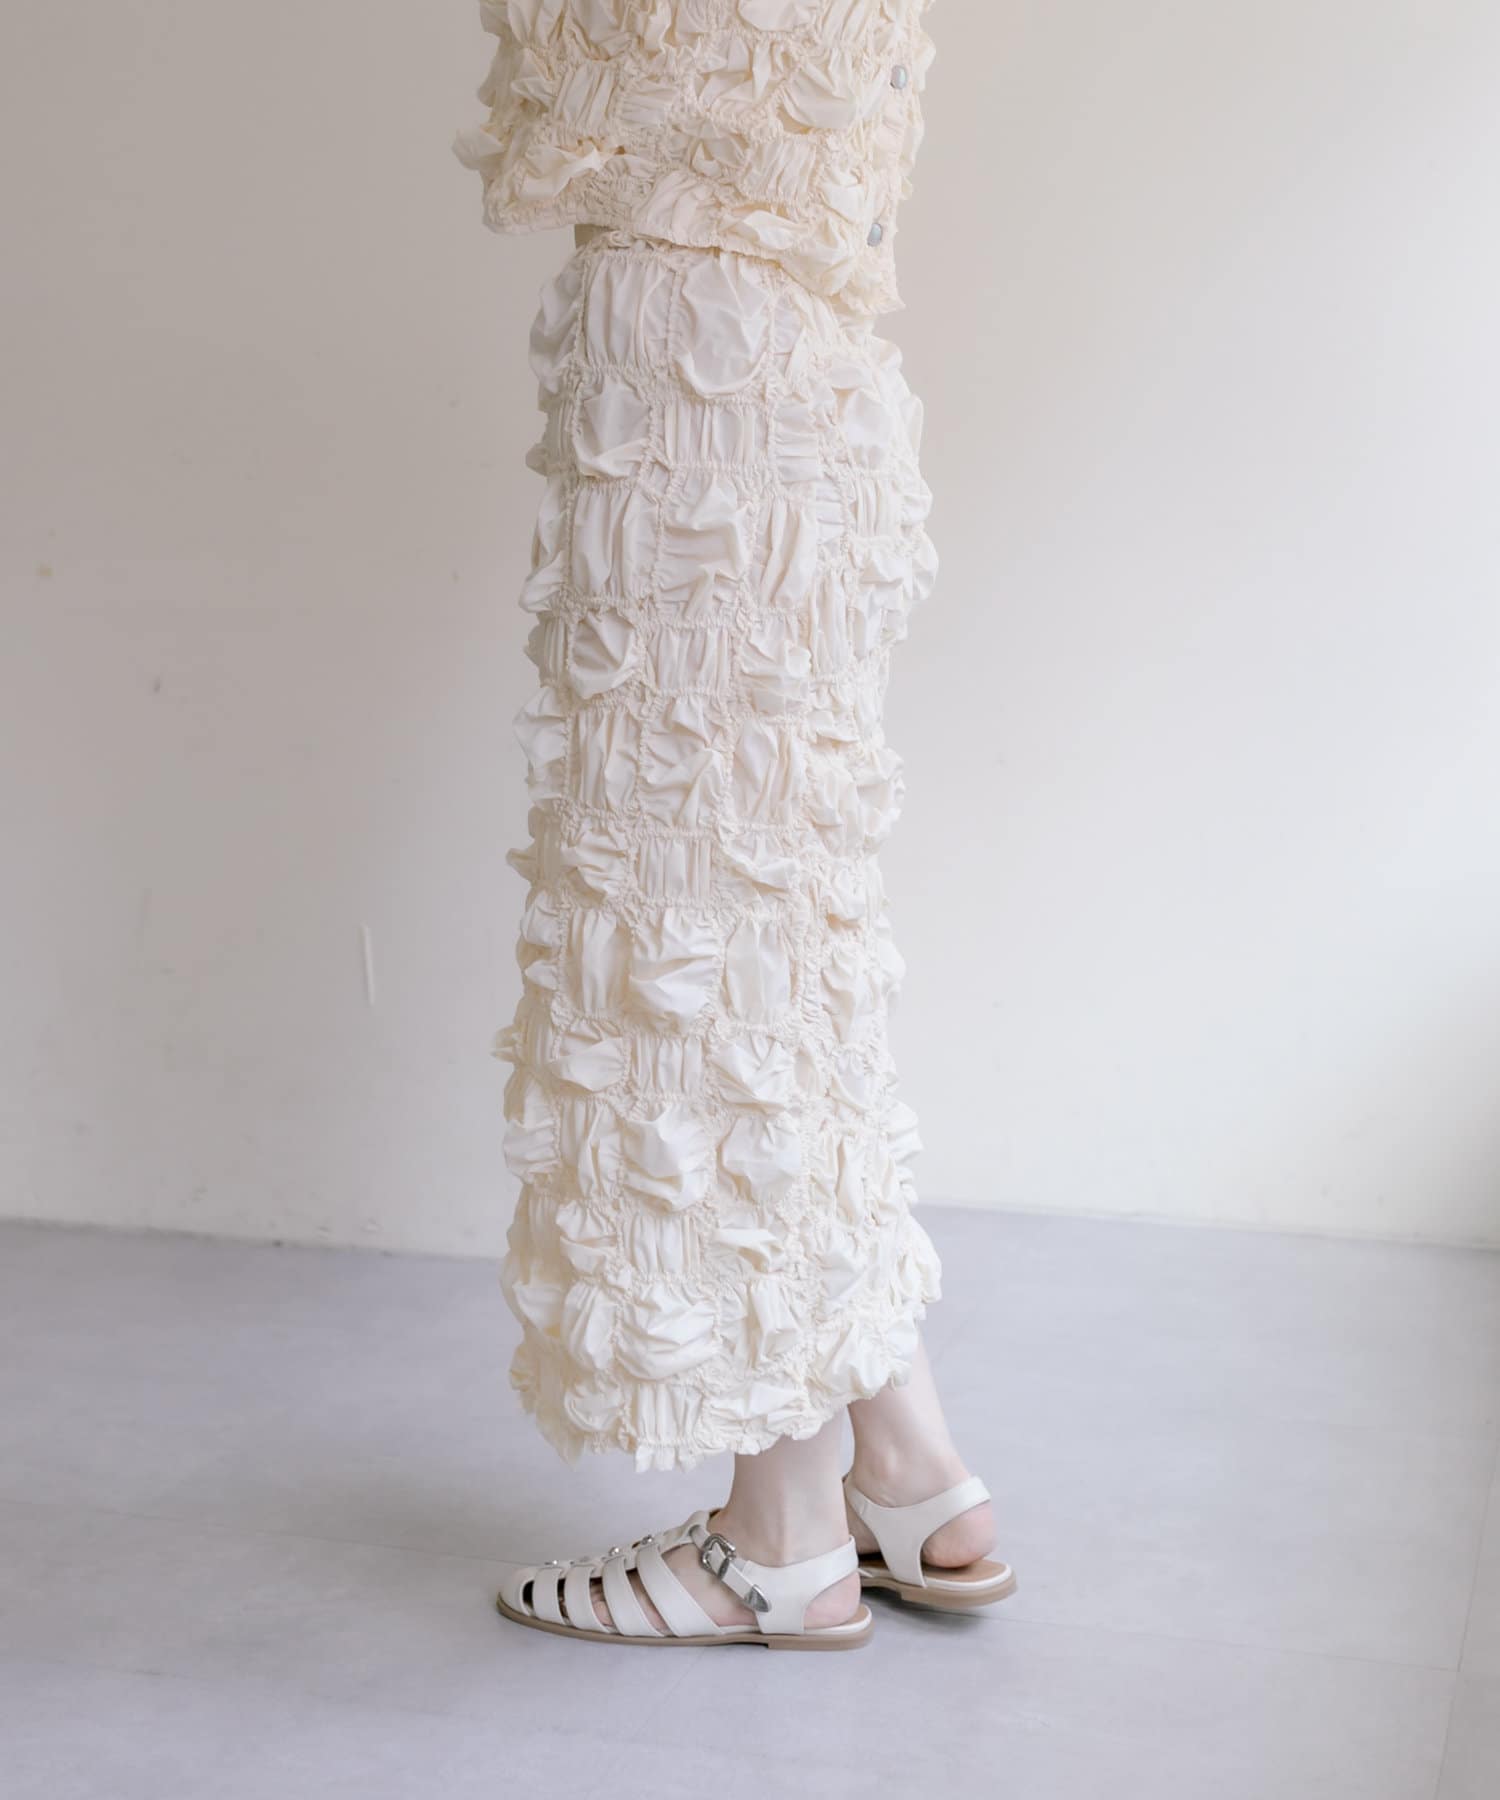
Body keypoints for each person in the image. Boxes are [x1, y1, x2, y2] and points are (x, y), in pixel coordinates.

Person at [454, 0, 1012, 1649]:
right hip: (810, 376)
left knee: (700, 944)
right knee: (782, 950)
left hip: (693, 389)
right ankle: (909, 1470)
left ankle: (781, 1538)